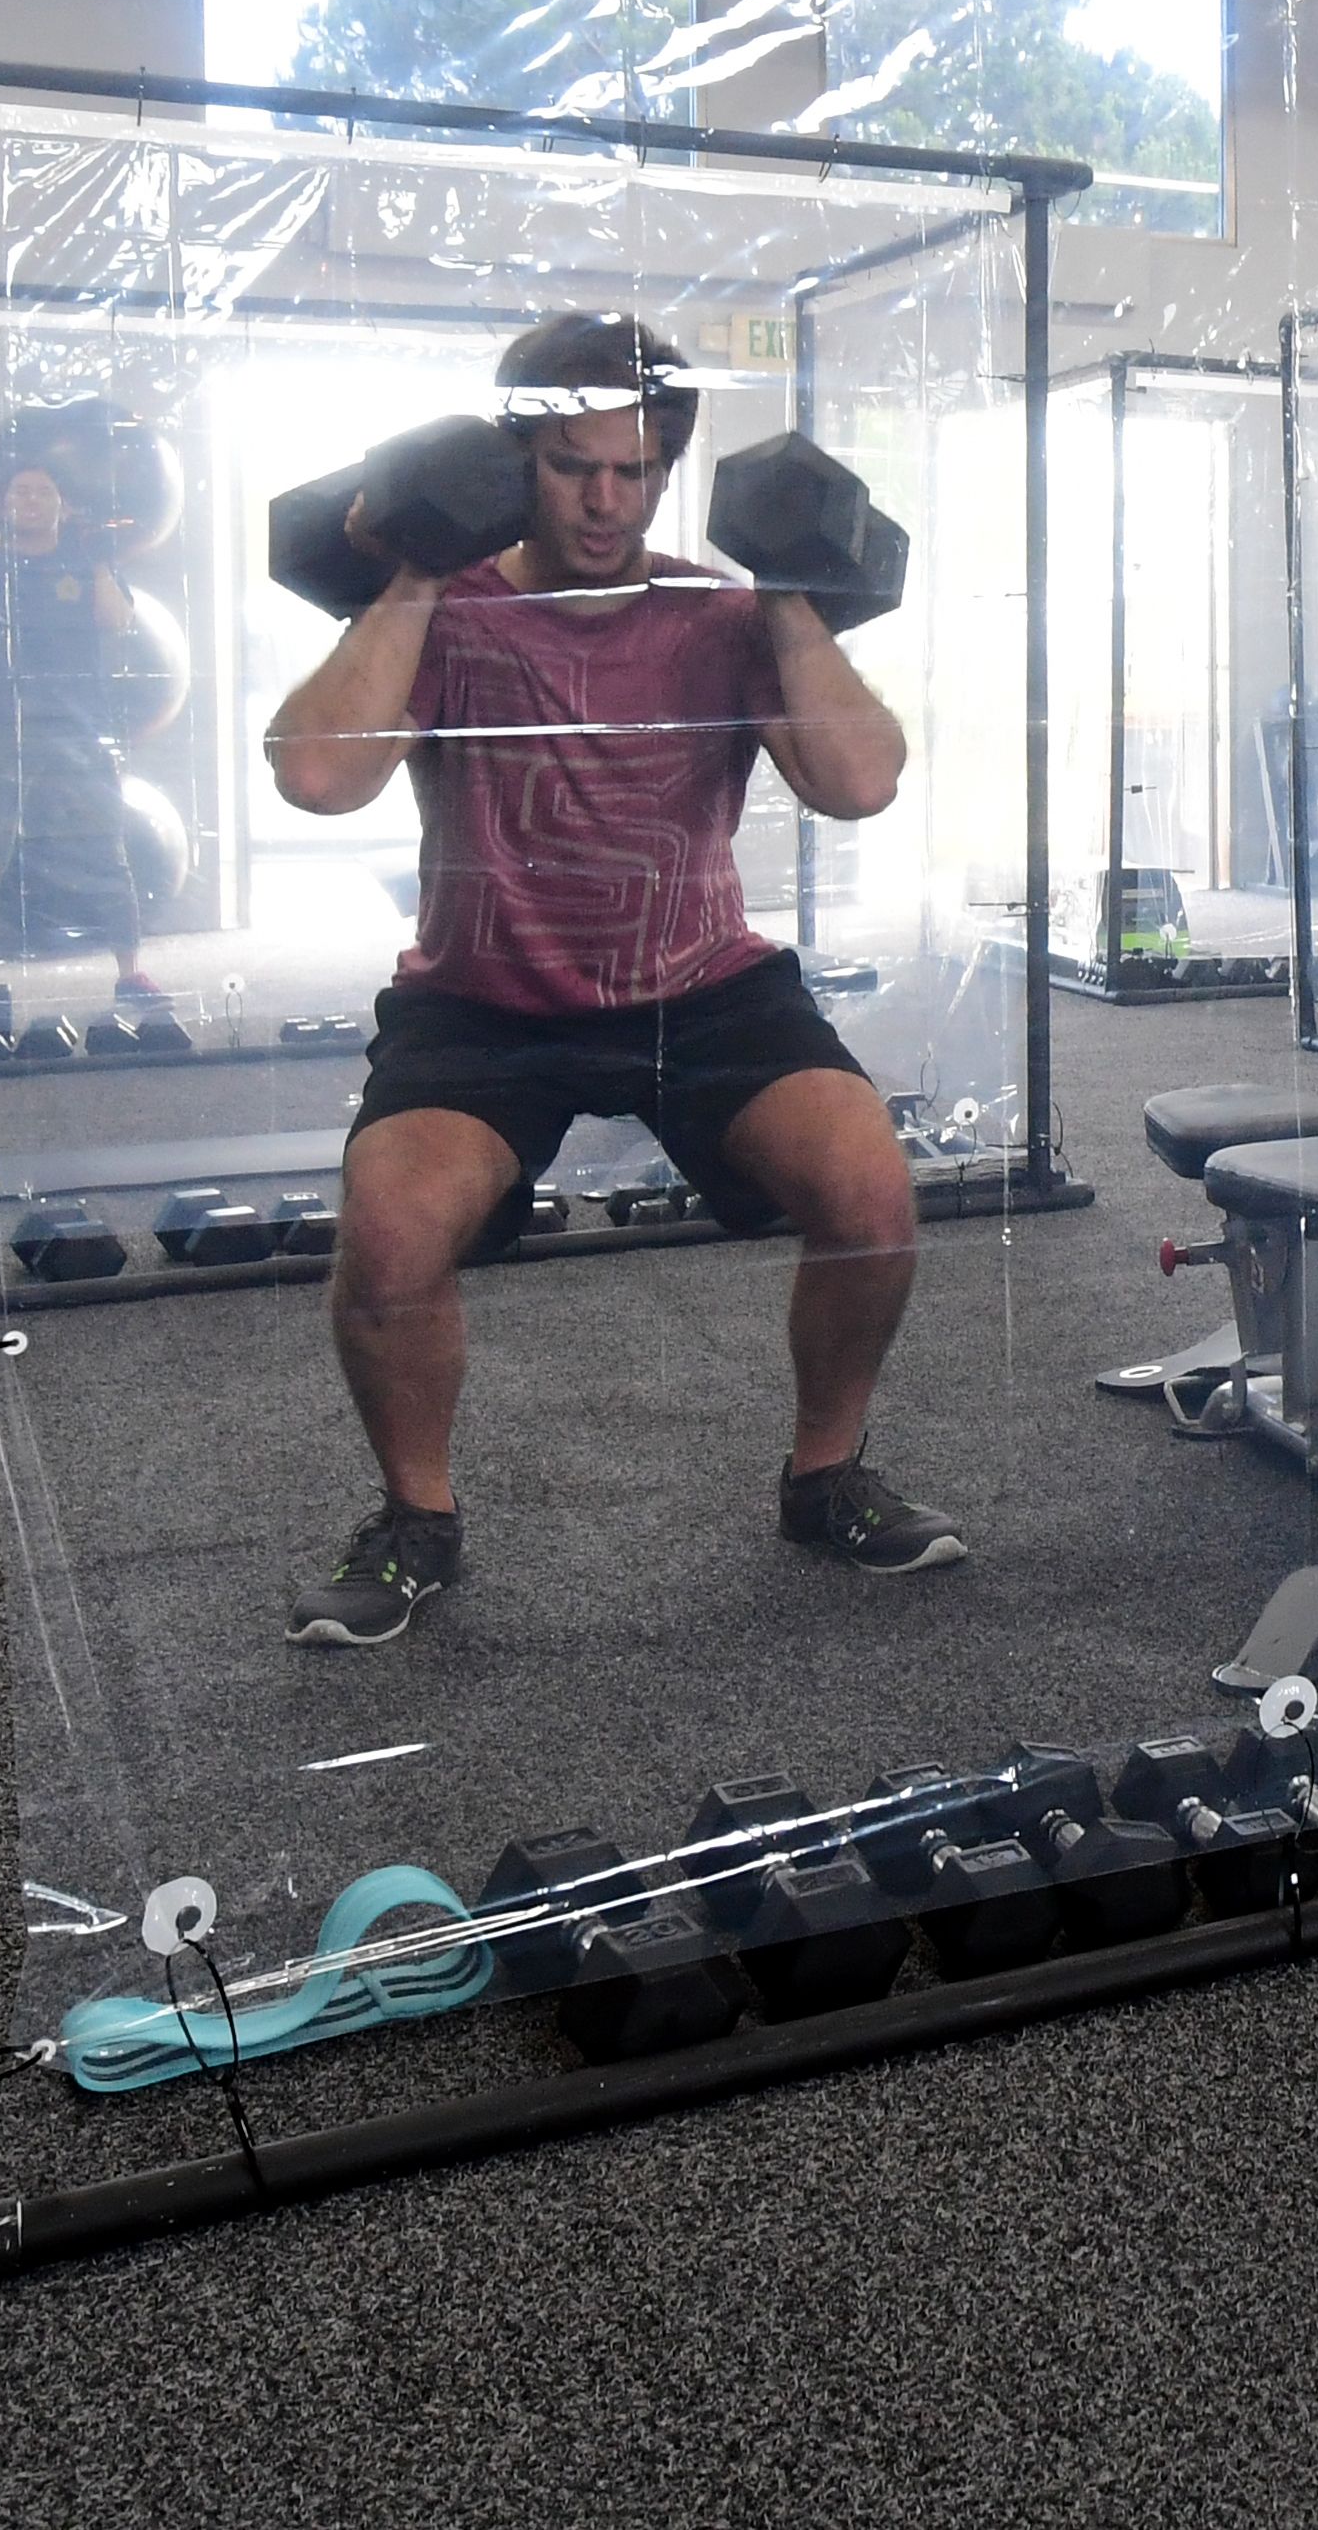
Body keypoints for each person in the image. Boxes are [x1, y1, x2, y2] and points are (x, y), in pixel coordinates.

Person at [261, 313, 940, 1647]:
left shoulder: (726, 613)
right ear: (518, 459)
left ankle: (825, 1474)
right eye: (571, 466)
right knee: (389, 1233)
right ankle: (416, 1521)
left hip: (702, 985)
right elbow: (315, 774)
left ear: (666, 468)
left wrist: (788, 592)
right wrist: (407, 575)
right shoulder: (448, 608)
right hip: (484, 996)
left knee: (869, 1189)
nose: (602, 499)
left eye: (631, 471)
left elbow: (858, 783)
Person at [0, 449, 169, 1023]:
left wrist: (96, 561)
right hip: (0, 728)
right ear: (3, 504)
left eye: (43, 492)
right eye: (20, 492)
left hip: (77, 730)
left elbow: (117, 620)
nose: (31, 501)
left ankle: (130, 971)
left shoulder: (84, 558)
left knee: (103, 845)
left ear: (63, 505)